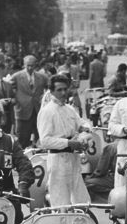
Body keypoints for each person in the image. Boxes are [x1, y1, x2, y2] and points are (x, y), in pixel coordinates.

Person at [37, 74, 95, 207]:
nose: (63, 93)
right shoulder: (47, 112)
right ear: (51, 91)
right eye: (59, 90)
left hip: (73, 159)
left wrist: (84, 130)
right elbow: (45, 141)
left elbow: (82, 123)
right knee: (60, 202)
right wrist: (69, 143)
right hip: (58, 160)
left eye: (65, 89)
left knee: (81, 200)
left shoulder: (70, 109)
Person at [10, 54, 49, 149]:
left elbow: (49, 88)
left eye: (32, 65)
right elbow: (10, 90)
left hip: (38, 110)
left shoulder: (42, 77)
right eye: (28, 65)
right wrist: (15, 99)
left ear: (36, 65)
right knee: (22, 139)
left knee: (40, 136)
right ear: (24, 65)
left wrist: (44, 97)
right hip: (22, 111)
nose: (30, 68)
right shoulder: (16, 76)